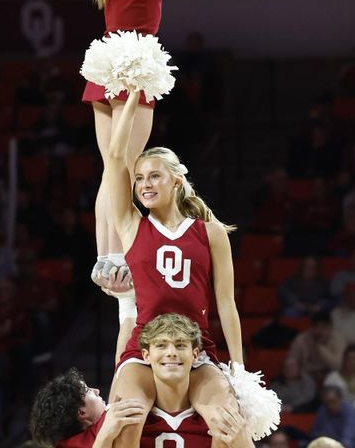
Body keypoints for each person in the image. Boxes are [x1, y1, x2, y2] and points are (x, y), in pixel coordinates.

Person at [100, 88, 244, 445]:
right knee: (127, 420)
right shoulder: (132, 226)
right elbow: (116, 157)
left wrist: (238, 367)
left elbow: (226, 303)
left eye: (154, 176)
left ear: (176, 181)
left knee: (227, 422)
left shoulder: (210, 233)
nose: (145, 185)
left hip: (196, 348)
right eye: (140, 179)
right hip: (144, 348)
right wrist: (132, 96)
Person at [84, 0, 171, 282]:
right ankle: (117, 256)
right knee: (125, 165)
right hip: (133, 67)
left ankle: (106, 254)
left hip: (108, 64)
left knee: (111, 166)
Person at [30, 314, 246, 448]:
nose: (171, 353)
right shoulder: (115, 421)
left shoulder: (219, 412)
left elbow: (120, 360)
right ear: (145, 356)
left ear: (196, 354)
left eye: (180, 345)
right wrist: (105, 437)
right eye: (161, 345)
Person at [288, 310, 345, 385]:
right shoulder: (301, 340)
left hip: (331, 379)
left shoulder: (338, 339)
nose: (320, 331)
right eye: (316, 327)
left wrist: (321, 347)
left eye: (324, 327)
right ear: (311, 327)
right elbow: (291, 363)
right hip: (306, 378)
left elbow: (338, 366)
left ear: (331, 327)